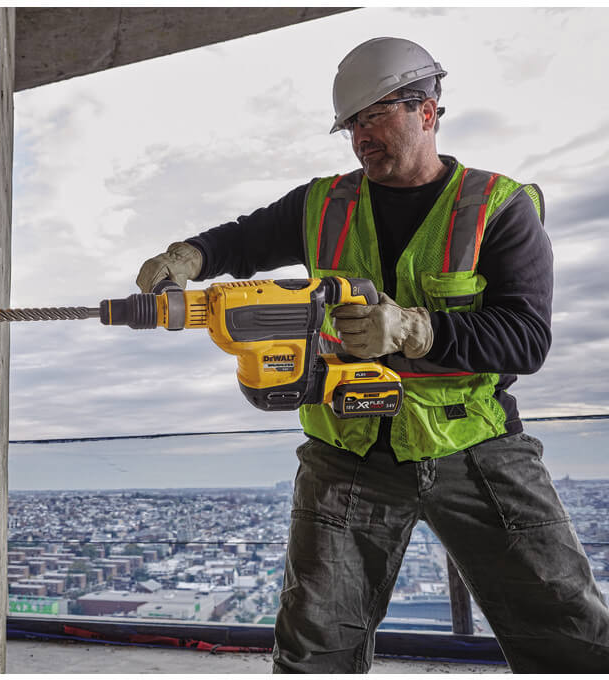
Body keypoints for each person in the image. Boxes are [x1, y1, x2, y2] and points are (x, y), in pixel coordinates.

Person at [135, 37, 609, 673]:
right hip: (347, 450)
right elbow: (243, 240)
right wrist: (187, 257)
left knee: (570, 637)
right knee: (314, 649)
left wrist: (414, 330)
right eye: (352, 124)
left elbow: (526, 338)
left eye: (376, 115)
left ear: (427, 112)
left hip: (474, 447)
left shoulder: (498, 207)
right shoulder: (322, 204)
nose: (361, 136)